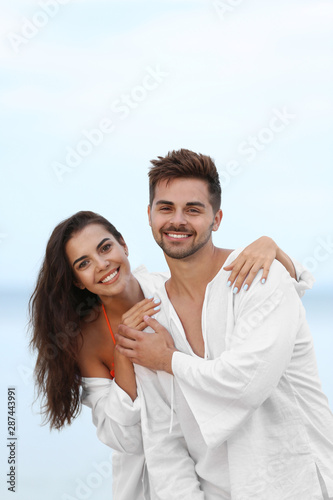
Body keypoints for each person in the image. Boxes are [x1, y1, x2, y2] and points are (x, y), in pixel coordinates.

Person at [29, 209, 309, 500]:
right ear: (77, 280)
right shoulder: (86, 339)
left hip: (214, 457)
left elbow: (264, 321)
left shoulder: (171, 292)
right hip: (147, 477)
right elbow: (122, 437)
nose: (102, 265)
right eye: (84, 263)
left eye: (105, 247)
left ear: (123, 245)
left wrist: (272, 249)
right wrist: (123, 353)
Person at [116, 149, 333, 499]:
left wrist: (167, 360)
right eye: (166, 207)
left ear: (216, 219)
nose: (178, 220)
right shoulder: (151, 314)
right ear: (150, 215)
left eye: (193, 209)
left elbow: (244, 384)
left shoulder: (261, 277)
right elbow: (163, 437)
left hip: (295, 484)